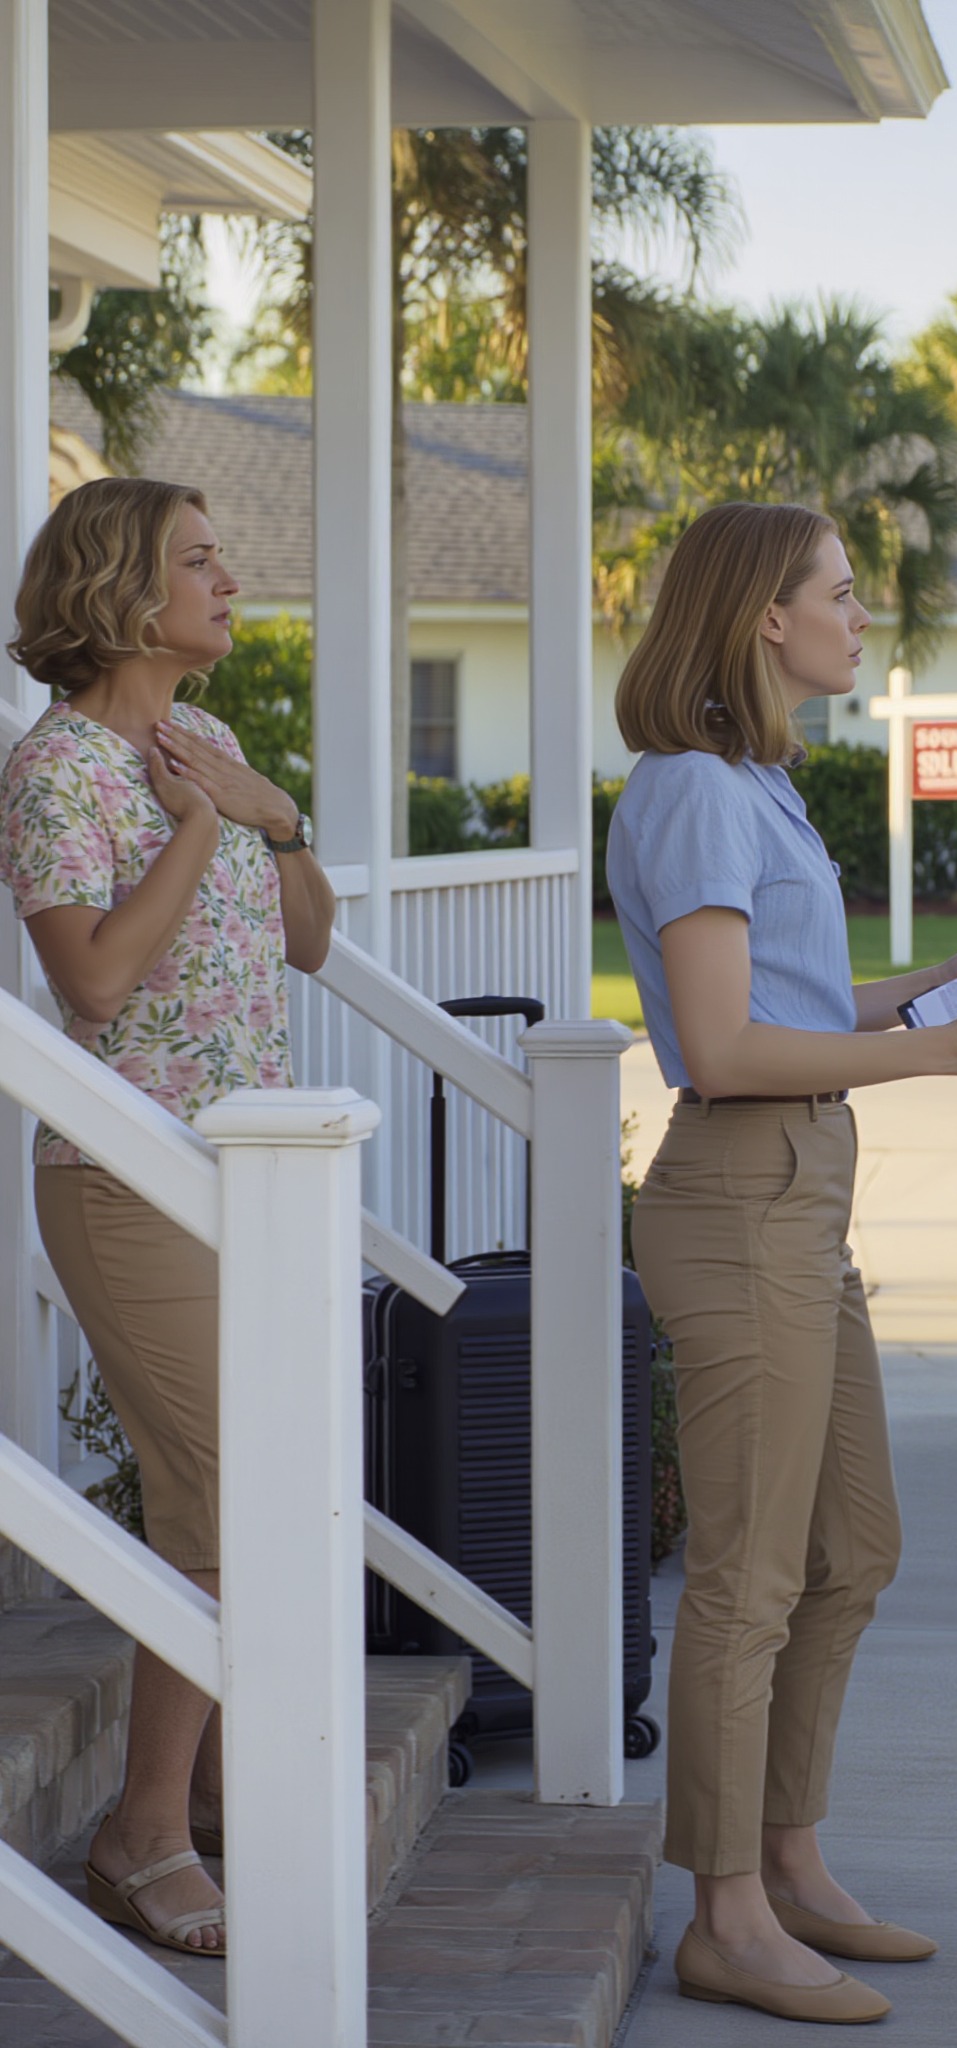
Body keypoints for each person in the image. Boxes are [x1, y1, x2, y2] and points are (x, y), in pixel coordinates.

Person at [607, 500, 957, 2027]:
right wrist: (934, 1055)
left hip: (801, 1191)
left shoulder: (758, 786)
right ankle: (722, 1913)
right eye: (842, 595)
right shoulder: (689, 791)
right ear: (761, 620)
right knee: (747, 1573)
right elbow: (725, 1046)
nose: (862, 620)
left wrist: (931, 985)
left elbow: (789, 996)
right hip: (741, 1193)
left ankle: (789, 1860)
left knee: (849, 1545)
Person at [0, 477, 335, 1956]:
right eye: (200, 560)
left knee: (235, 1497)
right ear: (124, 591)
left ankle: (169, 1811)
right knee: (222, 1492)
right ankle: (146, 1832)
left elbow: (311, 939)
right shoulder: (59, 770)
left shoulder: (215, 744)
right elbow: (94, 984)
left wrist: (269, 813)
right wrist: (205, 827)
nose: (230, 579)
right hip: (122, 1182)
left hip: (236, 1184)